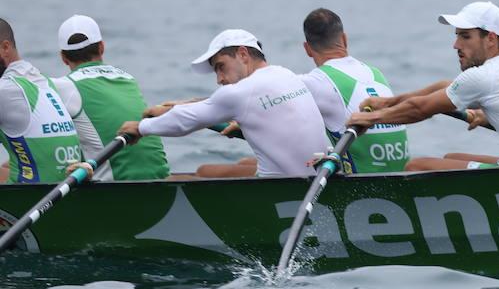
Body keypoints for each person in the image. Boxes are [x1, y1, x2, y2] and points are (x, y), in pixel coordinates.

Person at [349, 1, 499, 170]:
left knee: (416, 167)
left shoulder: (482, 76)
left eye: (465, 37)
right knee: (450, 158)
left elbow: (420, 109)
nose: (456, 45)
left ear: (491, 39)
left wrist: (371, 119)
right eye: (457, 36)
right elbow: (446, 86)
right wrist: (387, 102)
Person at [116, 29, 330, 179]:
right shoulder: (286, 75)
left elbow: (185, 122)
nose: (219, 79)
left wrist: (141, 128)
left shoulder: (240, 93)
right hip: (316, 175)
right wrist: (183, 104)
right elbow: (217, 106)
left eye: (221, 66)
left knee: (200, 173)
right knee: (233, 165)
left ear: (243, 54)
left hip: (282, 187)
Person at [49, 14, 169, 181]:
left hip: (117, 186)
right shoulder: (128, 79)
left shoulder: (64, 86)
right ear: (102, 47)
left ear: (63, 57)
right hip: (160, 176)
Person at [296, 7, 410, 174]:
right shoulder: (376, 73)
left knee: (247, 165)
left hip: (365, 185)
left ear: (307, 49)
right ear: (345, 39)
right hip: (401, 175)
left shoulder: (316, 82)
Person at [0, 17, 83, 185]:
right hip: (63, 191)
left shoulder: (5, 90)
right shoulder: (45, 82)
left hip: (28, 199)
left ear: (5, 47)